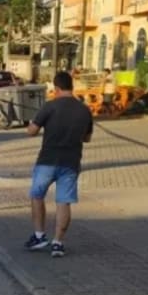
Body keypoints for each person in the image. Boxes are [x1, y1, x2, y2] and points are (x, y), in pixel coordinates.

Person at [24, 71, 94, 258]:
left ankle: (39, 236)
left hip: (47, 161)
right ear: (71, 86)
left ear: (55, 88)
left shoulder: (49, 106)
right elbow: (87, 138)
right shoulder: (84, 110)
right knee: (64, 202)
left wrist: (32, 122)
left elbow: (32, 132)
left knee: (37, 195)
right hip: (71, 163)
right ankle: (58, 243)